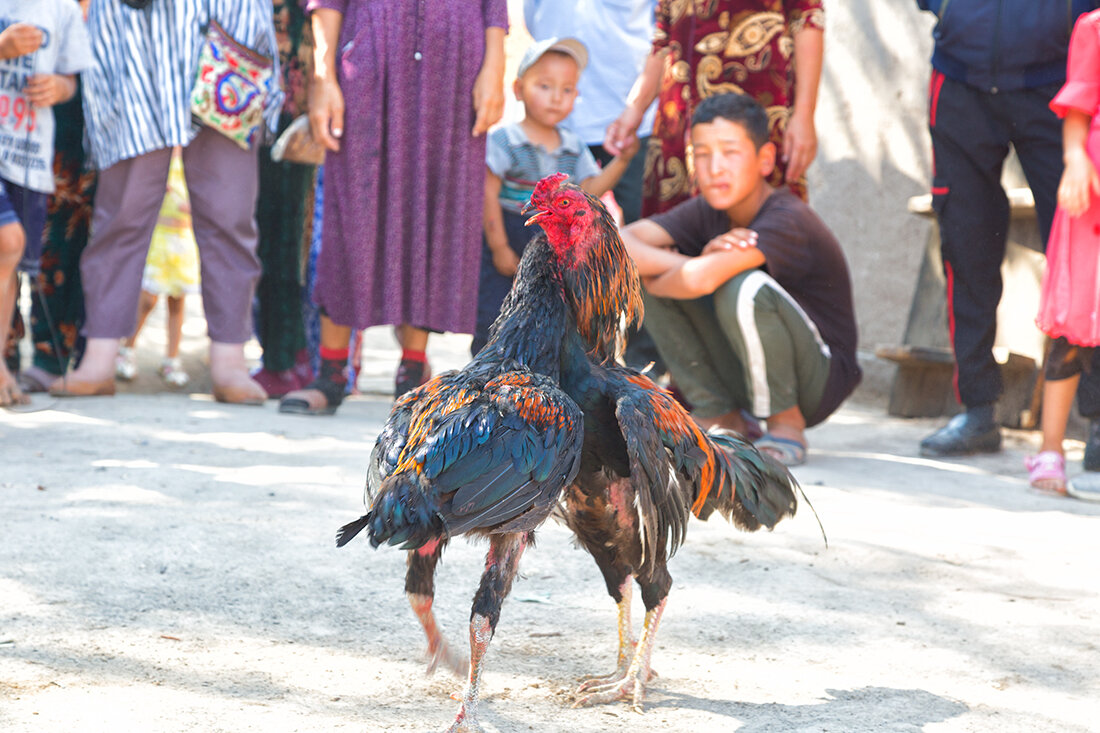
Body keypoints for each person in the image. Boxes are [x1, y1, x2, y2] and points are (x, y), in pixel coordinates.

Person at [279, 0, 508, 414]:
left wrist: (495, 66)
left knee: (436, 204)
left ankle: (412, 372)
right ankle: (331, 374)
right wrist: (323, 75)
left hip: (455, 64)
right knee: (353, 208)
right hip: (368, 54)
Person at [50, 1, 283, 404]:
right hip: (136, 46)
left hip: (228, 40)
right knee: (122, 212)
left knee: (230, 214)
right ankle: (101, 356)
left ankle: (230, 362)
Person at [620, 93, 860, 465]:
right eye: (702, 153)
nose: (715, 167)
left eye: (730, 152)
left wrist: (673, 272)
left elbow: (700, 280)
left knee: (742, 287)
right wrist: (681, 267)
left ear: (764, 160)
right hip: (748, 369)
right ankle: (721, 415)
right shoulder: (709, 210)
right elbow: (621, 243)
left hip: (818, 378)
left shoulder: (786, 218)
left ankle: (786, 425)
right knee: (652, 274)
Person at [915, 0, 1100, 457]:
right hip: (959, 79)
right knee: (965, 243)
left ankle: (1097, 421)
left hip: (1057, 81)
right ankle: (978, 409)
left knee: (1087, 256)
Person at [523, 0, 665, 373]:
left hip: (635, 117)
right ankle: (566, 352)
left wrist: (637, 109)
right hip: (560, 117)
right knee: (556, 245)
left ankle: (642, 357)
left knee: (641, 236)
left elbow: (663, 34)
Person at [473, 37, 639, 355]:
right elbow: (488, 194)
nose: (555, 98)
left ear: (576, 96)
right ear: (519, 89)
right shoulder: (505, 140)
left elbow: (590, 189)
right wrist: (498, 247)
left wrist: (624, 159)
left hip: (554, 244)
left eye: (566, 90)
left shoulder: (573, 145)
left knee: (551, 318)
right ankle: (487, 378)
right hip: (509, 232)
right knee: (494, 315)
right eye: (545, 86)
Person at [605, 0, 824, 216]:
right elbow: (664, 38)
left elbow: (807, 19)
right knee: (675, 231)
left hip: (760, 109)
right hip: (681, 119)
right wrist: (634, 109)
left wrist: (805, 114)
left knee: (765, 227)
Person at [0, 4, 92, 407]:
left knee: (11, 260)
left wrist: (59, 87)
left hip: (30, 154)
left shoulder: (62, 8)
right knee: (7, 241)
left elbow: (72, 79)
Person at [1026, 9, 1100, 501]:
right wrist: (1074, 162)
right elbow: (1077, 110)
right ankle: (1050, 449)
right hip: (1092, 190)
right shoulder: (1094, 27)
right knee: (1073, 323)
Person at [250, 0, 317, 399]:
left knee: (289, 243)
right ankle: (284, 356)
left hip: (301, 128)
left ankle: (284, 360)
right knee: (277, 242)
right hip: (264, 123)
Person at [115, 149, 200, 389]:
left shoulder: (194, 163)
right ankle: (127, 349)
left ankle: (172, 359)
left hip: (183, 238)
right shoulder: (159, 161)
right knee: (147, 299)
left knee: (177, 301)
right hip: (158, 236)